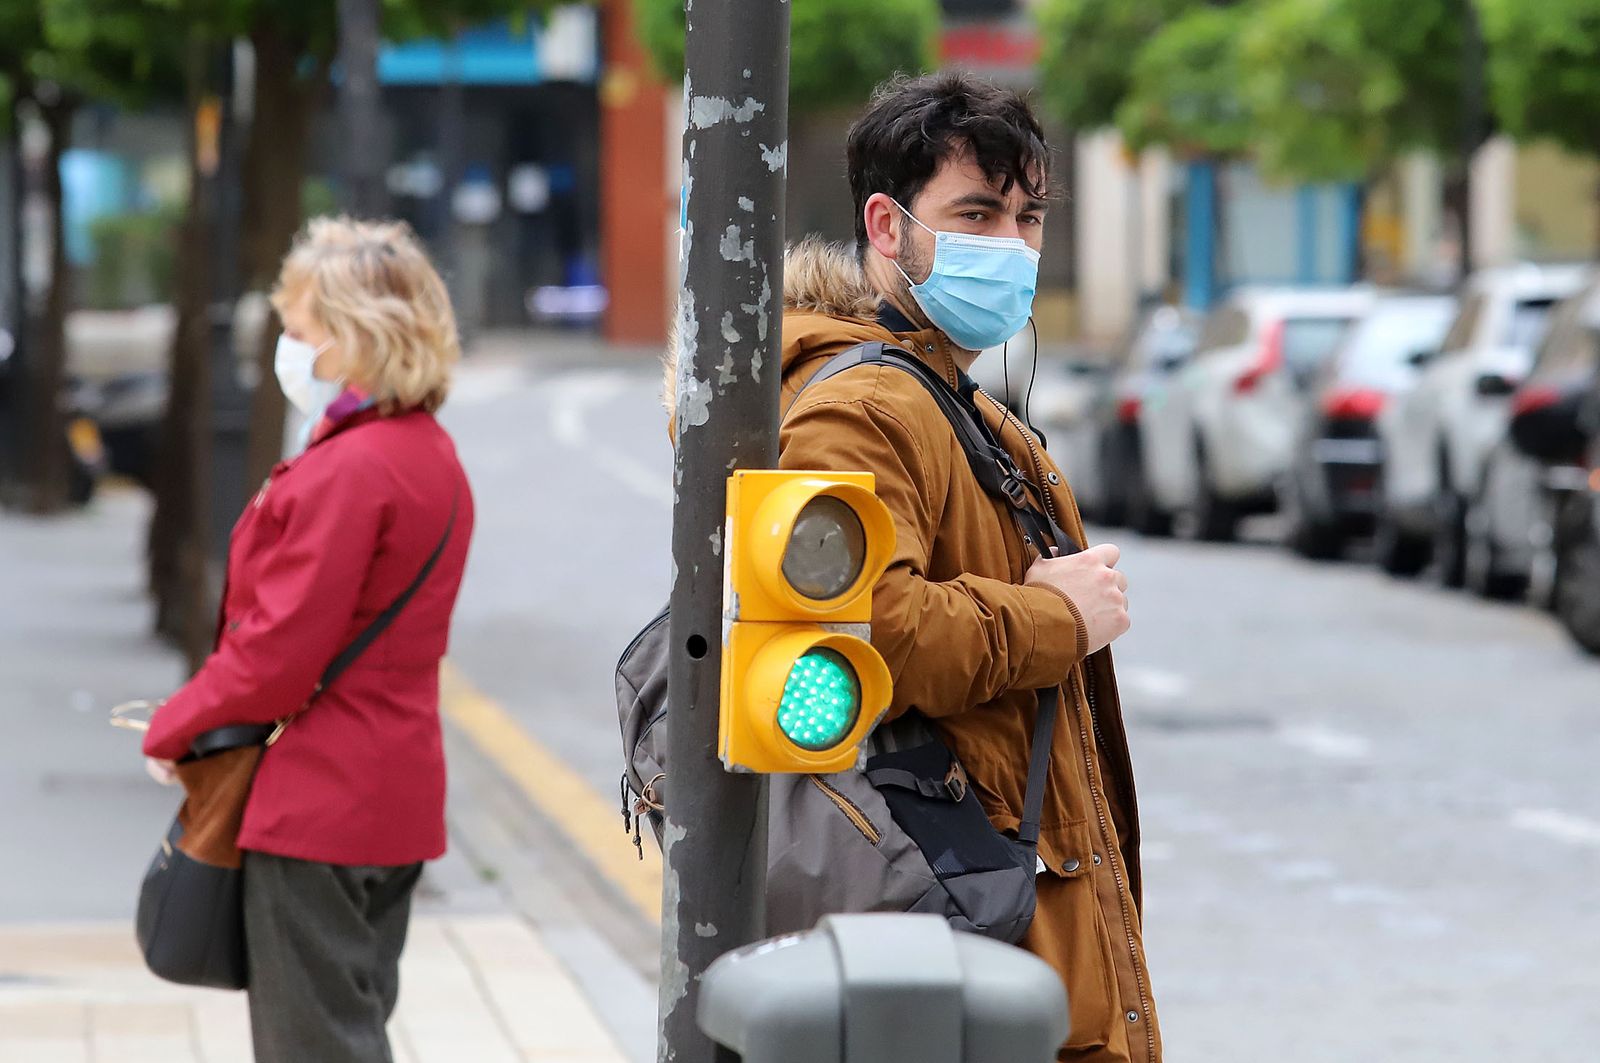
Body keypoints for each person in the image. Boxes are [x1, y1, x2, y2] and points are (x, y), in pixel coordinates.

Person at [677, 72, 1158, 1061]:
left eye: (1028, 218)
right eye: (976, 214)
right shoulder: (864, 408)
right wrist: (1055, 620)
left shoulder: (949, 400)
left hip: (993, 922)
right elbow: (860, 630)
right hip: (953, 936)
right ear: (887, 227)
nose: (1011, 246)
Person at [141, 216, 475, 1062]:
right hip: (396, 790)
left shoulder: (349, 469)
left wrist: (173, 727)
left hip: (318, 801)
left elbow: (277, 654)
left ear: (352, 336)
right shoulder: (430, 454)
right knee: (353, 1026)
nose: (287, 350)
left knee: (314, 1046)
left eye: (299, 330)